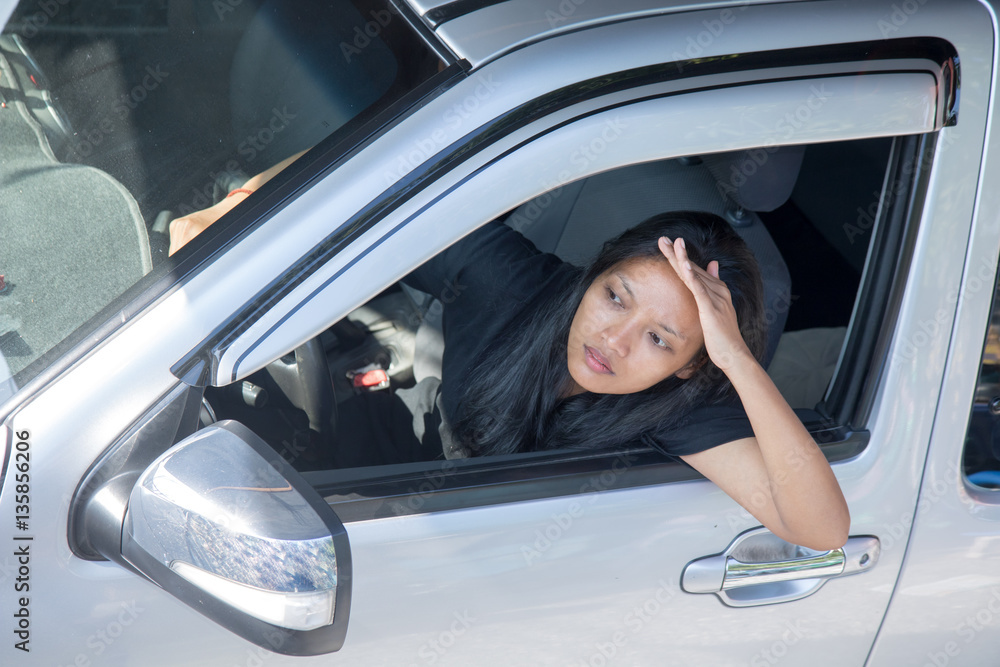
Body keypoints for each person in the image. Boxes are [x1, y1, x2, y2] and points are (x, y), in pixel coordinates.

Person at [169, 175, 850, 553]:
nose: (614, 341)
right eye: (615, 296)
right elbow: (371, 195)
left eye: (660, 339)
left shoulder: (684, 405)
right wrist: (237, 207)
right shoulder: (507, 282)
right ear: (597, 270)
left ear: (687, 366)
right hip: (417, 486)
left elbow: (820, 528)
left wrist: (734, 358)